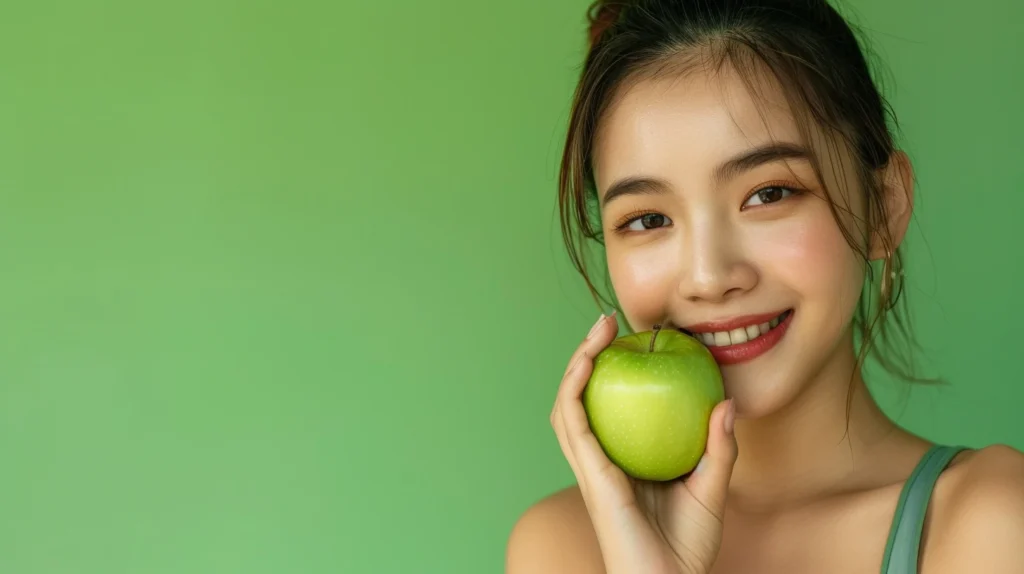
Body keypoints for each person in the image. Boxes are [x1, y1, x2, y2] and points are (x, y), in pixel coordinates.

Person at [505, 1, 1024, 572]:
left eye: (769, 193)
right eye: (649, 220)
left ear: (884, 206)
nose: (708, 277)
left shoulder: (992, 520)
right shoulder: (563, 547)